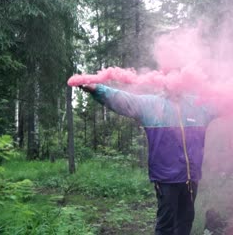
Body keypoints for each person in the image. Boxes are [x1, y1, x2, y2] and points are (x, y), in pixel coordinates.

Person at [81, 83, 215, 235]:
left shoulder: (198, 105)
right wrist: (97, 89)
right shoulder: (151, 105)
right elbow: (123, 100)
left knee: (185, 221)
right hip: (166, 179)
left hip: (191, 179)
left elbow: (224, 102)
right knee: (166, 225)